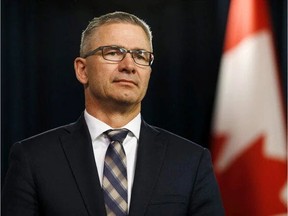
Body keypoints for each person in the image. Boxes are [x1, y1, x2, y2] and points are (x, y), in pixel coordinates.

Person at [2, 11, 224, 216]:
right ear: (82, 70)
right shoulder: (33, 158)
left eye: (140, 55)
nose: (129, 65)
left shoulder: (191, 161)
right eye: (113, 52)